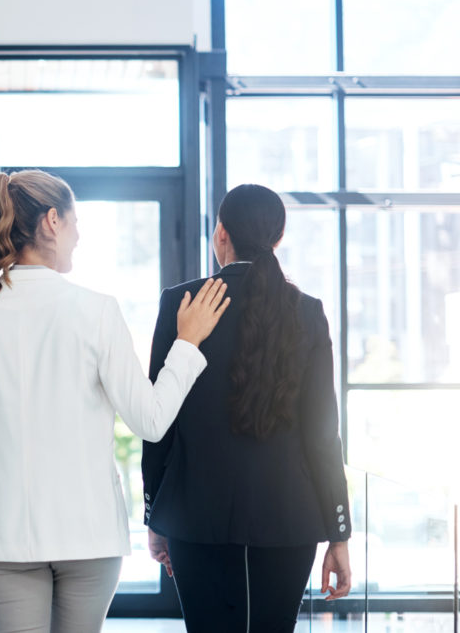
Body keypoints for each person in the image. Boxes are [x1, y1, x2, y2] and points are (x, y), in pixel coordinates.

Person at [0, 170, 230, 632]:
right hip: (88, 535)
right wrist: (188, 343)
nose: (79, 235)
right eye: (76, 222)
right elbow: (151, 421)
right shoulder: (97, 311)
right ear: (52, 221)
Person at [141, 184, 352, 632]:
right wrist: (339, 532)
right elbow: (322, 434)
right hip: (289, 518)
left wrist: (155, 514)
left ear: (221, 234)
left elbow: (159, 421)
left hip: (192, 515)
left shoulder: (181, 302)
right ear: (278, 237)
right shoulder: (308, 311)